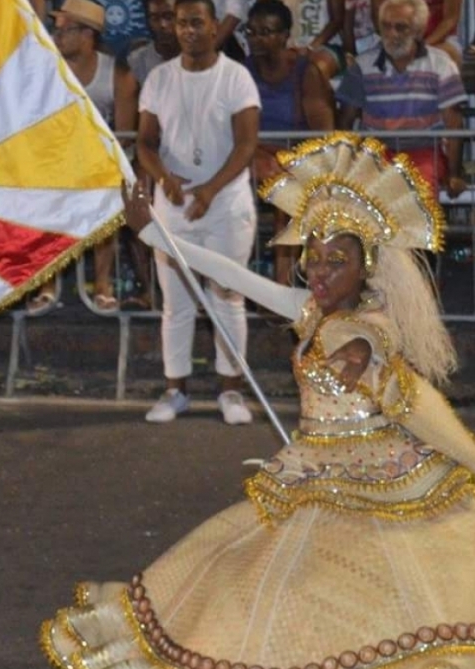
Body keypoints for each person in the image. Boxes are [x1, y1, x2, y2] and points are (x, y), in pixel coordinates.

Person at [42, 133, 475, 669]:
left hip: (380, 477)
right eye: (313, 260)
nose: (318, 272)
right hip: (313, 470)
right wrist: (152, 235)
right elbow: (237, 278)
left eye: (334, 262)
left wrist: (358, 363)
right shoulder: (311, 311)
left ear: (366, 266)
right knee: (293, 583)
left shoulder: (365, 327)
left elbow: (370, 350)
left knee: (392, 588)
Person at [138, 0, 260, 425]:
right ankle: (176, 390)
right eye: (179, 22)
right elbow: (146, 143)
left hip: (225, 205)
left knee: (227, 297)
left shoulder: (236, 77)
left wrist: (210, 188)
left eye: (196, 22)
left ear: (214, 28)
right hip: (173, 206)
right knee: (176, 303)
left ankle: (231, 391)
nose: (186, 30)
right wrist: (163, 178)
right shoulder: (158, 78)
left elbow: (246, 144)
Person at [53, 0, 138, 313]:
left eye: (65, 28)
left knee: (108, 191)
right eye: (56, 28)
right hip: (54, 158)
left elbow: (126, 137)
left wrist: (91, 161)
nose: (57, 35)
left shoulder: (118, 75)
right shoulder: (47, 68)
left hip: (100, 161)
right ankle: (46, 284)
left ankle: (103, 283)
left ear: (88, 34)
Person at [337, 0, 467, 199]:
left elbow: (454, 123)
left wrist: (454, 173)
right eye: (386, 27)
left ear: (417, 30)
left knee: (418, 202)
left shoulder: (441, 64)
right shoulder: (362, 66)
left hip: (424, 151)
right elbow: (344, 122)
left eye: (401, 27)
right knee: (369, 206)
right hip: (376, 152)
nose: (392, 34)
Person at [245, 0, 335, 285]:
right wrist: (257, 153)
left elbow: (324, 134)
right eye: (253, 32)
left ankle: (281, 284)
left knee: (287, 189)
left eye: (267, 32)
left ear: (285, 36)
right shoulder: (241, 71)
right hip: (252, 154)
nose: (258, 39)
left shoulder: (305, 72)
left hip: (296, 156)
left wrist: (289, 159)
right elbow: (232, 127)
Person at [128, 0, 179, 86]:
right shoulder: (136, 63)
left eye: (169, 16)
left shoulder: (201, 58)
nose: (162, 25)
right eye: (155, 18)